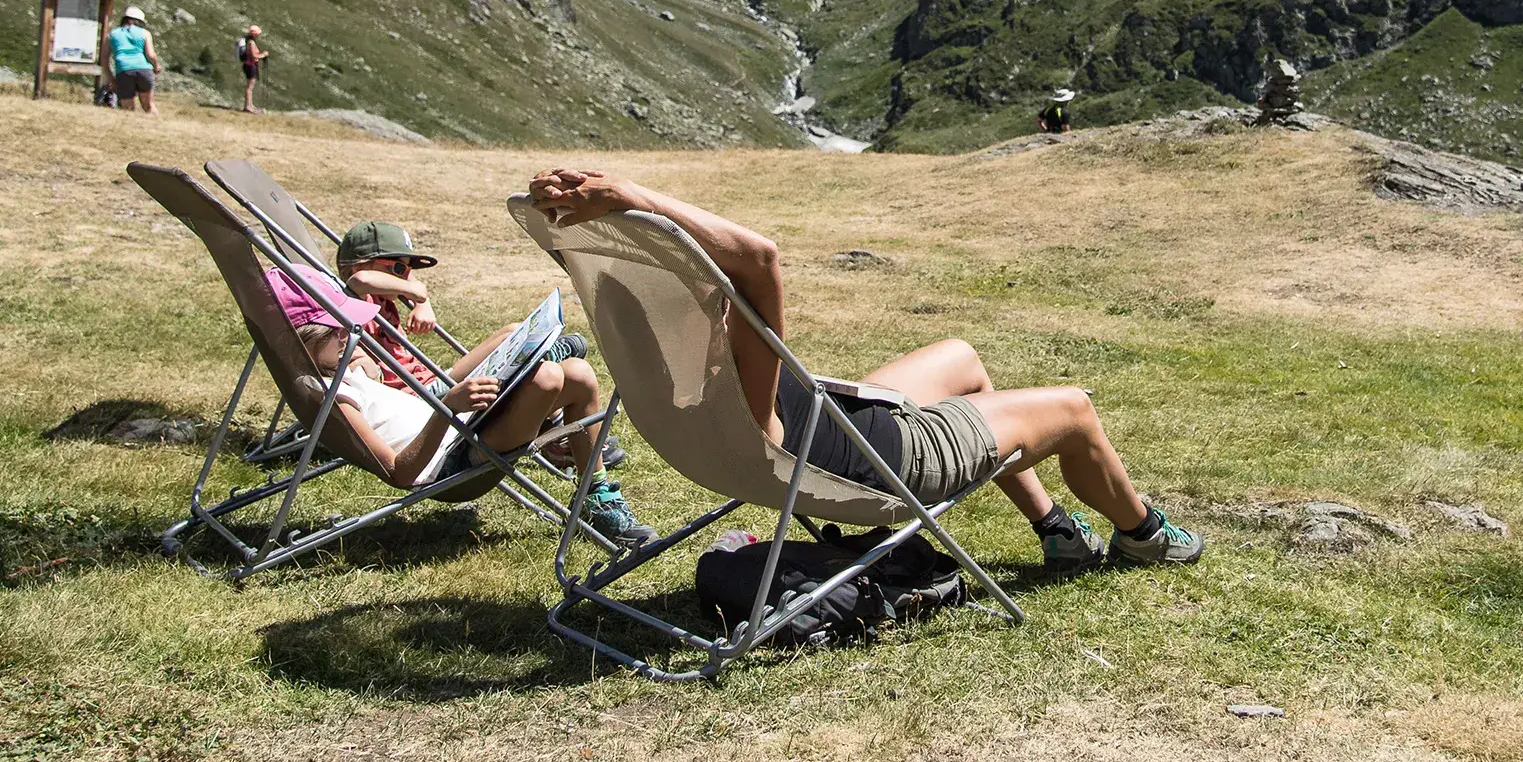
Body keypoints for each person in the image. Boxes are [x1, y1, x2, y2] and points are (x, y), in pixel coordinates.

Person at [525, 168, 1202, 569]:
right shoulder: (741, 372)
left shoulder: (662, 366)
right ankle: (1143, 535)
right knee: (1075, 411)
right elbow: (760, 258)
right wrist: (625, 194)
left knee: (962, 359)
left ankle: (1055, 529)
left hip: (833, 422)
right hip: (879, 460)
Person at [271, 218, 653, 546]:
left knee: (580, 375)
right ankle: (534, 383)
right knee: (550, 377)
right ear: (306, 336)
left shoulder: (340, 367)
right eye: (339, 329)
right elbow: (400, 473)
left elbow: (359, 359)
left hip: (456, 425)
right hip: (452, 463)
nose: (349, 334)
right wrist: (448, 406)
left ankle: (596, 498)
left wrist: (359, 359)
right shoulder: (329, 395)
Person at [107, 6, 160, 115]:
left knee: (127, 107)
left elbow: (104, 59)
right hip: (144, 70)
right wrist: (156, 66)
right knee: (148, 104)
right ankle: (158, 126)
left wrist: (111, 78)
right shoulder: (145, 33)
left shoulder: (112, 34)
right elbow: (151, 55)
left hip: (124, 70)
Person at [237, 25, 270, 114]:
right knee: (250, 87)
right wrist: (263, 55)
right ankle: (248, 106)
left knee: (249, 86)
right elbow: (254, 56)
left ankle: (249, 105)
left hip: (249, 65)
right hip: (251, 66)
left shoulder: (248, 41)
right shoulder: (251, 43)